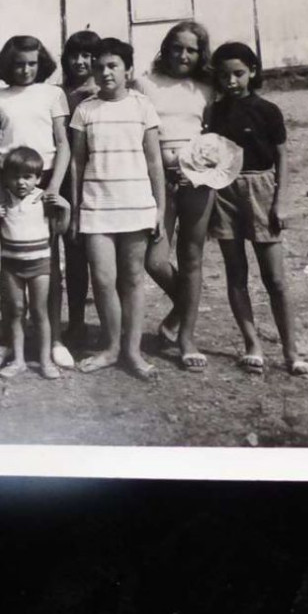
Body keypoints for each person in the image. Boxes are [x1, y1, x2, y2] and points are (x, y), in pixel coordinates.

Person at [206, 42, 308, 377]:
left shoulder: (268, 110)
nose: (232, 81)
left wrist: (279, 202)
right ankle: (252, 344)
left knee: (275, 279)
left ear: (252, 71)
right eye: (224, 75)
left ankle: (291, 351)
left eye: (238, 73)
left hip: (262, 189)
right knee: (236, 273)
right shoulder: (214, 113)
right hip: (225, 190)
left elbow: (281, 157)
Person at [68, 38, 165, 381]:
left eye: (113, 66)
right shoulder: (85, 110)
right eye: (99, 67)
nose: (105, 72)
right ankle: (110, 348)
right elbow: (77, 165)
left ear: (127, 70)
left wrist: (160, 210)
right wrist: (78, 210)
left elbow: (155, 163)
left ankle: (132, 351)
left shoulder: (142, 106)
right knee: (104, 279)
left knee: (133, 278)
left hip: (137, 205)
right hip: (96, 207)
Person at [0, 34, 72, 370]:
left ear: (42, 63)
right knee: (11, 263)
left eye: (32, 63)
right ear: (8, 64)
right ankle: (10, 341)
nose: (25, 69)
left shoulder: (53, 94)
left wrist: (55, 188)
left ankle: (55, 341)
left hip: (45, 180)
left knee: (49, 263)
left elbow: (62, 144)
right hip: (9, 182)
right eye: (19, 63)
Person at [133, 21, 216, 370]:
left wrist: (202, 165)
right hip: (157, 181)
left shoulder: (207, 89)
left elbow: (215, 136)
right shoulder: (144, 83)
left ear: (201, 55)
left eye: (192, 50)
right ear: (166, 49)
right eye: (177, 48)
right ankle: (185, 306)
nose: (183, 55)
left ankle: (186, 338)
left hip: (199, 181)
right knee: (154, 259)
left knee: (192, 257)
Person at [0, 146, 70, 379]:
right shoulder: (3, 200)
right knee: (15, 311)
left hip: (40, 266)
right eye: (15, 177)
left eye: (27, 177)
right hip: (11, 266)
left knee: (39, 311)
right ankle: (19, 360)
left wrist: (66, 209)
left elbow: (60, 230)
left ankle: (45, 361)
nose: (21, 183)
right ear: (5, 177)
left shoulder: (43, 199)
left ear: (38, 177)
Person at [59, 29, 101, 345]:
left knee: (103, 257)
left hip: (102, 179)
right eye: (74, 55)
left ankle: (112, 326)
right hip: (68, 181)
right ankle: (76, 322)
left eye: (87, 55)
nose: (80, 61)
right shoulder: (59, 93)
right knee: (74, 256)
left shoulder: (107, 91)